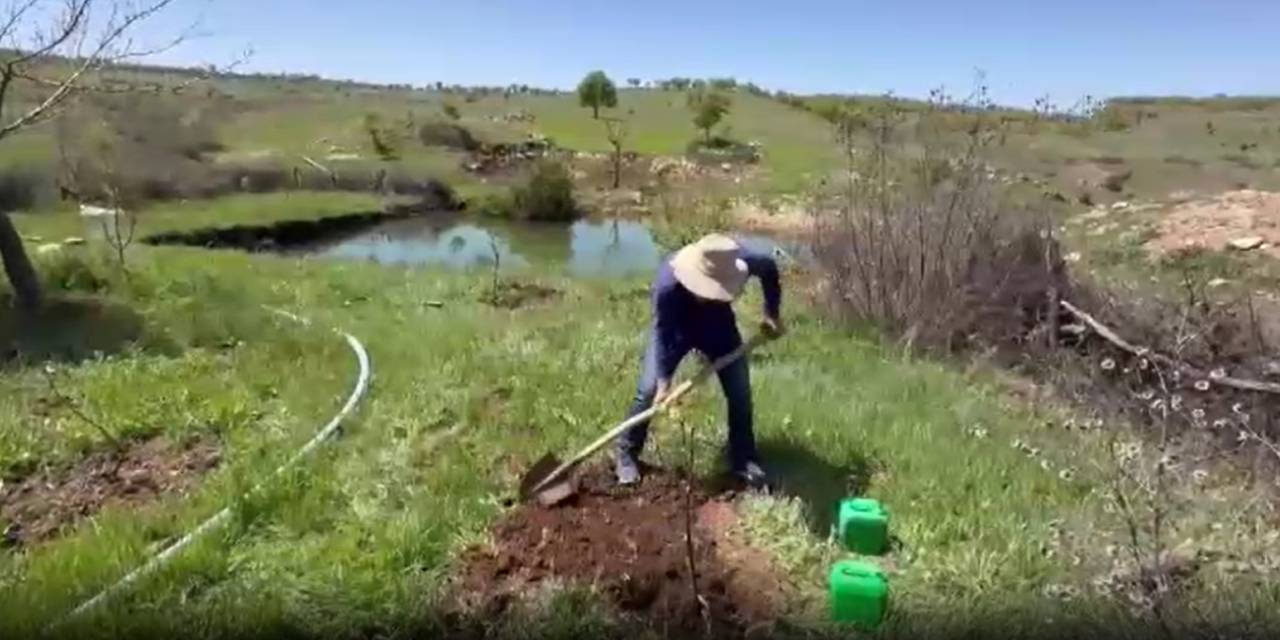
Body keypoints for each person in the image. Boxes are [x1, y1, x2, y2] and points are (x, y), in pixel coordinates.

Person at [615, 233, 785, 488]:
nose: (709, 293)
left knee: (739, 391)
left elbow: (770, 268)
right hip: (675, 330)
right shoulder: (667, 285)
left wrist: (771, 313)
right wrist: (664, 381)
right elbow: (662, 332)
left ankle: (744, 458)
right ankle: (626, 452)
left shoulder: (739, 259)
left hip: (718, 326)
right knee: (648, 389)